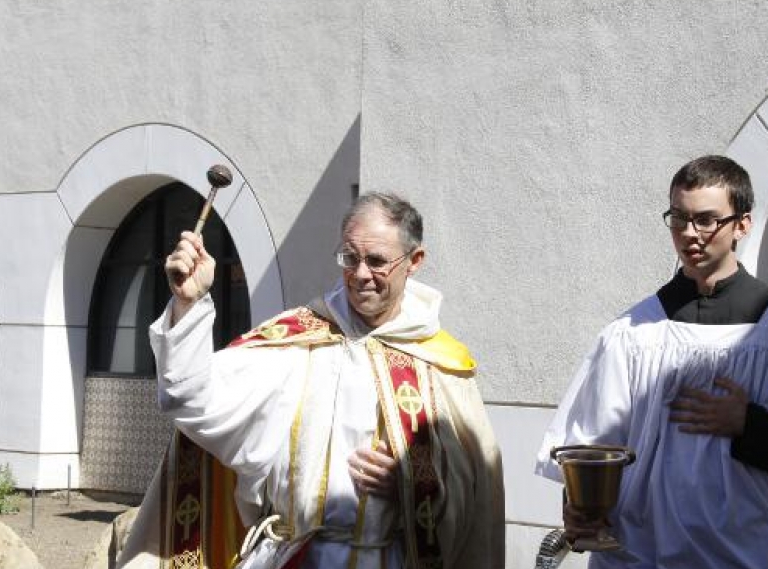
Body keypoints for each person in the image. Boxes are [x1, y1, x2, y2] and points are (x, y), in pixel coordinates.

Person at [119, 192, 503, 569]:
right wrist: (188, 304)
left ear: (414, 261)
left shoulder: (440, 365)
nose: (361, 274)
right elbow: (189, 399)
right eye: (350, 258)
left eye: (376, 261)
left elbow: (476, 492)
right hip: (293, 557)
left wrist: (411, 484)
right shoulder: (295, 344)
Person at [535, 155, 768, 568]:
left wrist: (749, 426)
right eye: (679, 218)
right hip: (637, 552)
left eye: (707, 220)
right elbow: (590, 442)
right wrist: (578, 506)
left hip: (743, 553)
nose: (690, 234)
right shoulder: (631, 332)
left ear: (742, 225)